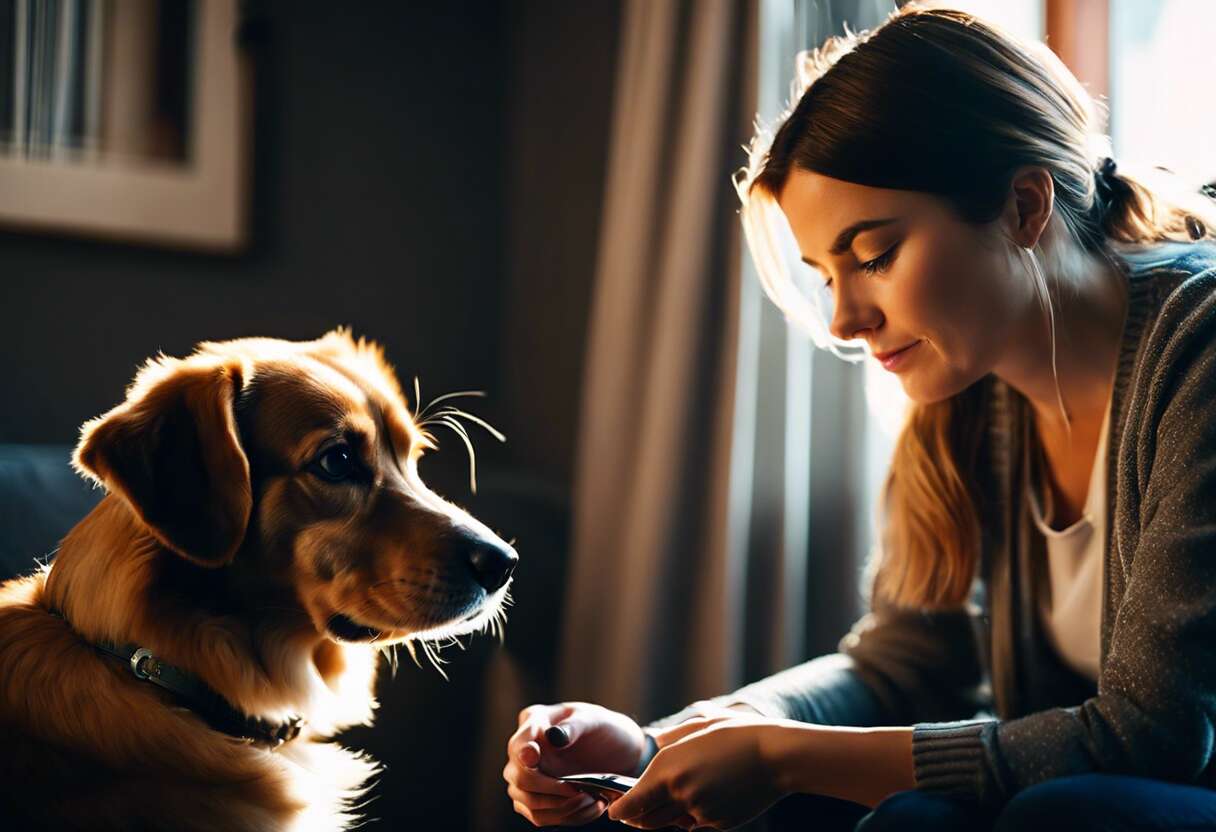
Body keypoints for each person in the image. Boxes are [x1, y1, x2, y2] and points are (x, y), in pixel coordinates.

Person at [503, 4, 1216, 830]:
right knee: (909, 817)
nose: (844, 319)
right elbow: (901, 664)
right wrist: (655, 746)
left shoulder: (1197, 352)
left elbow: (1152, 737)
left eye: (874, 256)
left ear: (1025, 206)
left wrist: (782, 755)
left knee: (1064, 815)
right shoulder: (973, 396)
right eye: (826, 272)